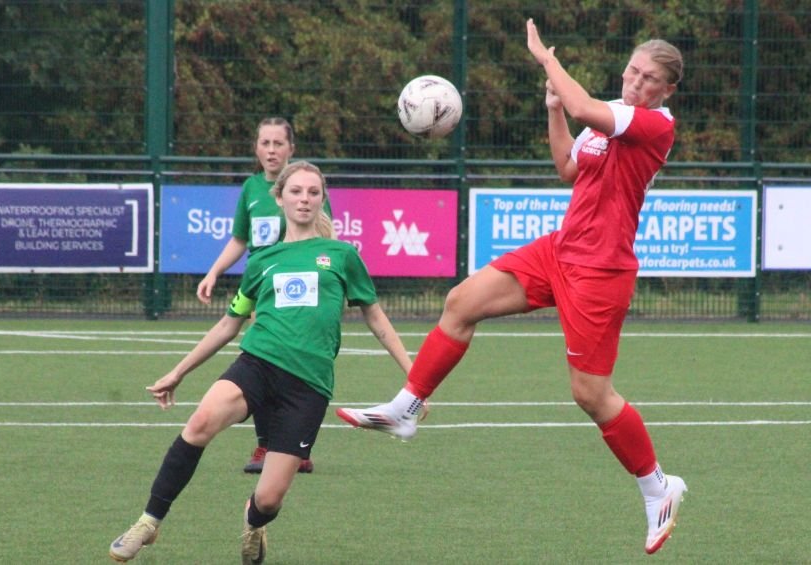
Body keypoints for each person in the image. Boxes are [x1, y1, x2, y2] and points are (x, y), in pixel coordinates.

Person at [337, 19, 687, 556]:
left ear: (666, 90)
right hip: (559, 251)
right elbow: (569, 167)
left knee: (590, 394)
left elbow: (587, 108)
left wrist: (546, 61)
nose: (636, 83)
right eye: (633, 71)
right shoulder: (608, 122)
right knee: (461, 302)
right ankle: (406, 409)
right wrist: (551, 108)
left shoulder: (652, 125)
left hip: (600, 272)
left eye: (649, 79)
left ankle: (657, 486)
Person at [109, 161, 412, 563]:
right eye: (296, 191)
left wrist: (415, 375)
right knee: (199, 423)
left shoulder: (341, 255)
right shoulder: (262, 261)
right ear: (280, 197)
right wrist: (178, 372)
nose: (304, 199)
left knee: (269, 498)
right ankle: (148, 523)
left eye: (313, 192)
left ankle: (253, 522)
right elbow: (228, 324)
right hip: (258, 365)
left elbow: (375, 316)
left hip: (309, 385)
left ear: (322, 199)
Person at [197, 117, 332, 475]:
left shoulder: (305, 187)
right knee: (262, 360)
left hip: (300, 290)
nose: (271, 151)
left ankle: (294, 445)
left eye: (278, 144)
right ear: (256, 148)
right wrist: (214, 271)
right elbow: (240, 239)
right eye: (265, 143)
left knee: (294, 364)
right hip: (261, 289)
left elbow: (326, 237)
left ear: (292, 148)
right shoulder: (252, 189)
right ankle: (265, 446)